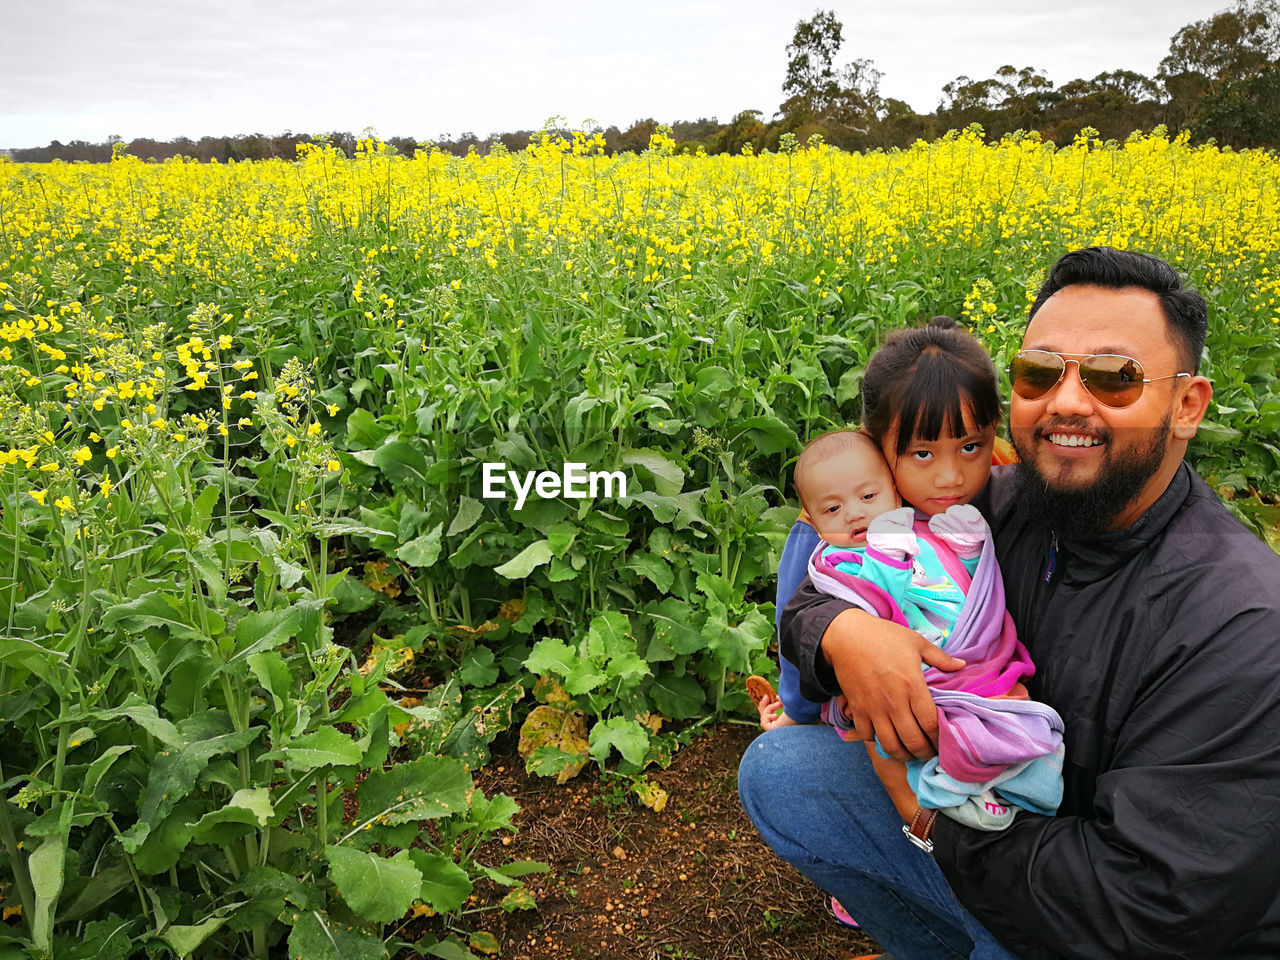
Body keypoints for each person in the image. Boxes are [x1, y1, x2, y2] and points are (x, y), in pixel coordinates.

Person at [739, 246, 1280, 960]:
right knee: (784, 773)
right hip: (1004, 811)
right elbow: (820, 585)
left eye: (1116, 377)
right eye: (1040, 372)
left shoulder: (1239, 625)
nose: (1066, 401)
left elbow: (1147, 912)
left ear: (1186, 405)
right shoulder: (1001, 503)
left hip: (1118, 927)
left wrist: (930, 826)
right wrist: (842, 633)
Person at [760, 429, 1064, 834]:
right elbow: (865, 605)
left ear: (894, 490)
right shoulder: (838, 562)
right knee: (918, 736)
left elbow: (966, 587)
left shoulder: (927, 529)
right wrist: (886, 560)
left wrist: (970, 551)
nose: (854, 514)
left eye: (868, 498)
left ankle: (1016, 777)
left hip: (965, 655)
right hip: (910, 678)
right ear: (813, 521)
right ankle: (959, 794)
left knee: (999, 710)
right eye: (833, 509)